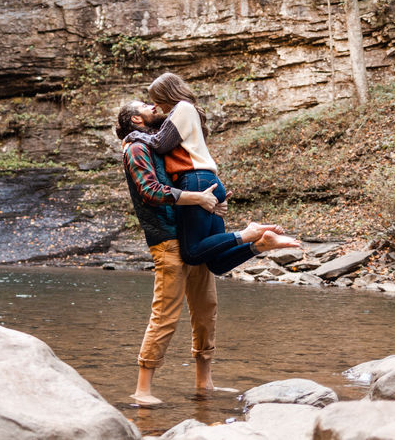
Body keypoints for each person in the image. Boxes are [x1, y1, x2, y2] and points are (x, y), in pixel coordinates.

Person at [116, 101, 287, 406]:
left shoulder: (161, 146)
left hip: (190, 235)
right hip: (167, 242)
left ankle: (204, 384)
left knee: (206, 311)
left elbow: (183, 184)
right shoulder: (135, 149)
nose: (154, 105)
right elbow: (150, 192)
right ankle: (142, 391)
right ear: (135, 118)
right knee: (165, 315)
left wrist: (211, 203)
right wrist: (199, 198)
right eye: (146, 105)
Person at [123, 73, 300, 274]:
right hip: (207, 181)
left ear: (166, 94)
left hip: (195, 179)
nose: (157, 106)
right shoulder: (183, 113)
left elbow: (160, 144)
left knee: (191, 253)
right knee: (216, 264)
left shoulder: (183, 108)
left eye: (157, 100)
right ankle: (261, 244)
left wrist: (132, 135)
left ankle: (249, 232)